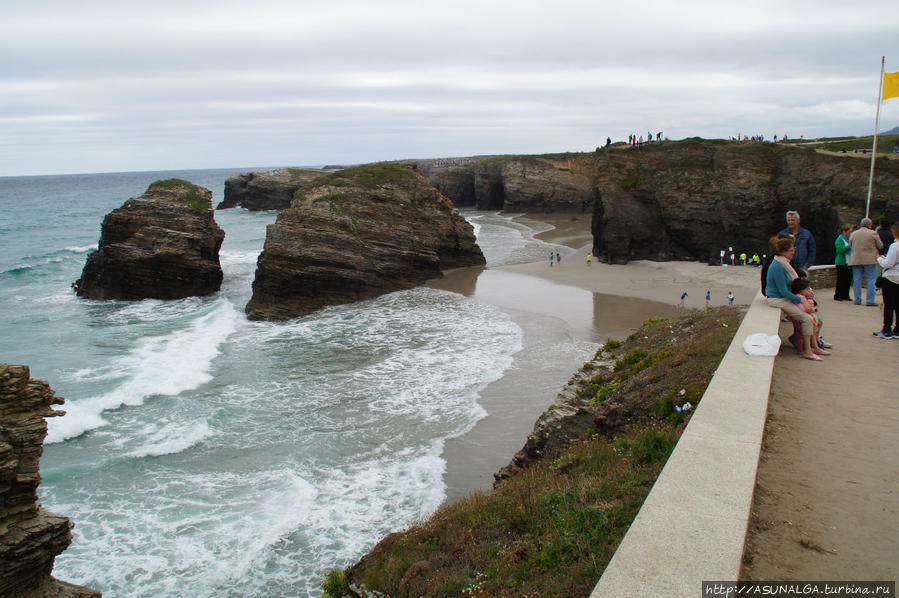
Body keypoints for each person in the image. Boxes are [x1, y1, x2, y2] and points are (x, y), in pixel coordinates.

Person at [764, 236, 820, 360]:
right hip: (777, 299)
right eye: (791, 250)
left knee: (812, 316)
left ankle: (813, 346)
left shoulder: (783, 263)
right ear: (784, 251)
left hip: (783, 298)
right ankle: (808, 351)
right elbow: (783, 291)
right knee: (807, 318)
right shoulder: (778, 266)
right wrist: (801, 300)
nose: (794, 251)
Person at [848, 217, 883, 306]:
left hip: (856, 259)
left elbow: (850, 244)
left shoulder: (854, 233)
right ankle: (870, 301)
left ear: (861, 224)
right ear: (870, 225)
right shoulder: (873, 233)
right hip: (870, 260)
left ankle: (857, 300)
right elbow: (880, 245)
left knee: (857, 280)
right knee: (871, 280)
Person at [874, 222, 899, 338]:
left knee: (888, 305)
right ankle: (898, 330)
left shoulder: (894, 246)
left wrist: (879, 259)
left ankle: (887, 330)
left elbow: (888, 264)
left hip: (891, 278)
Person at [790, 278, 828, 355]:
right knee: (812, 325)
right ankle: (813, 346)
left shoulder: (801, 297)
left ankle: (815, 345)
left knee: (815, 324)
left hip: (804, 318)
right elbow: (803, 309)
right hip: (800, 320)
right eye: (807, 289)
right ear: (801, 290)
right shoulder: (799, 298)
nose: (808, 291)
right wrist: (811, 309)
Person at [779, 210, 816, 276]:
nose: (790, 222)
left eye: (792, 220)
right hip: (787, 268)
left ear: (798, 220)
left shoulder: (807, 234)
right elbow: (778, 251)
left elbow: (812, 250)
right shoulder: (782, 234)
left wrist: (806, 265)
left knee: (802, 286)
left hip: (802, 268)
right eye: (789, 220)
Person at [833, 223, 853, 301]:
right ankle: (838, 295)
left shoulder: (849, 239)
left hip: (849, 262)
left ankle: (845, 295)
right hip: (841, 262)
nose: (850, 233)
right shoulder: (839, 239)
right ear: (844, 231)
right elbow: (840, 250)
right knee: (841, 280)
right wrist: (850, 246)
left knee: (848, 279)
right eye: (849, 231)